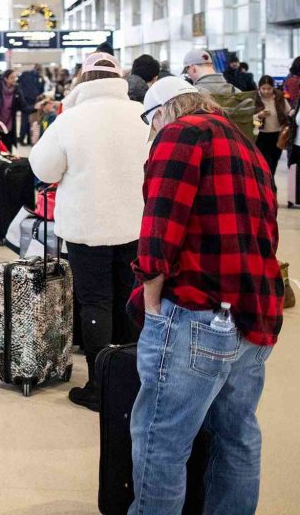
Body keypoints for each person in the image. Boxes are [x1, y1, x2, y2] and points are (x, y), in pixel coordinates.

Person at [129, 77, 281, 515]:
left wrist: (152, 302)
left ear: (160, 112)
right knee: (237, 435)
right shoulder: (245, 144)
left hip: (196, 311)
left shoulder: (180, 133)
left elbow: (160, 226)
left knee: (162, 437)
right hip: (255, 314)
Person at [28, 52, 151, 411]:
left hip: (87, 225)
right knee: (130, 298)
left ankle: (100, 385)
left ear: (82, 81)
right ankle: (131, 379)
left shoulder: (72, 119)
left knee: (95, 300)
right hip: (135, 223)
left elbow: (46, 169)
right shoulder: (141, 115)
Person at [255, 75, 289, 181]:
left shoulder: (279, 97)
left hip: (277, 136)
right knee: (263, 165)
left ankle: (270, 189)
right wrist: (258, 116)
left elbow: (288, 112)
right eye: (263, 88)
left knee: (273, 165)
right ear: (259, 88)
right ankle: (267, 187)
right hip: (260, 136)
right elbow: (251, 121)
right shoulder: (255, 98)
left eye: (269, 88)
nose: (266, 91)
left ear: (273, 87)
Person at [0, 69, 27, 152]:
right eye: (12, 77)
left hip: (9, 126)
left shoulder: (17, 90)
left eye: (15, 77)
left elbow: (23, 106)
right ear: (6, 79)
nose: (14, 79)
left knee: (7, 152)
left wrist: (36, 107)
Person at [17, 65, 45, 145]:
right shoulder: (35, 76)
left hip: (29, 100)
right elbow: (41, 90)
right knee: (29, 121)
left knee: (28, 121)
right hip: (29, 100)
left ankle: (25, 139)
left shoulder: (27, 74)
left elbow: (18, 84)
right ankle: (25, 139)